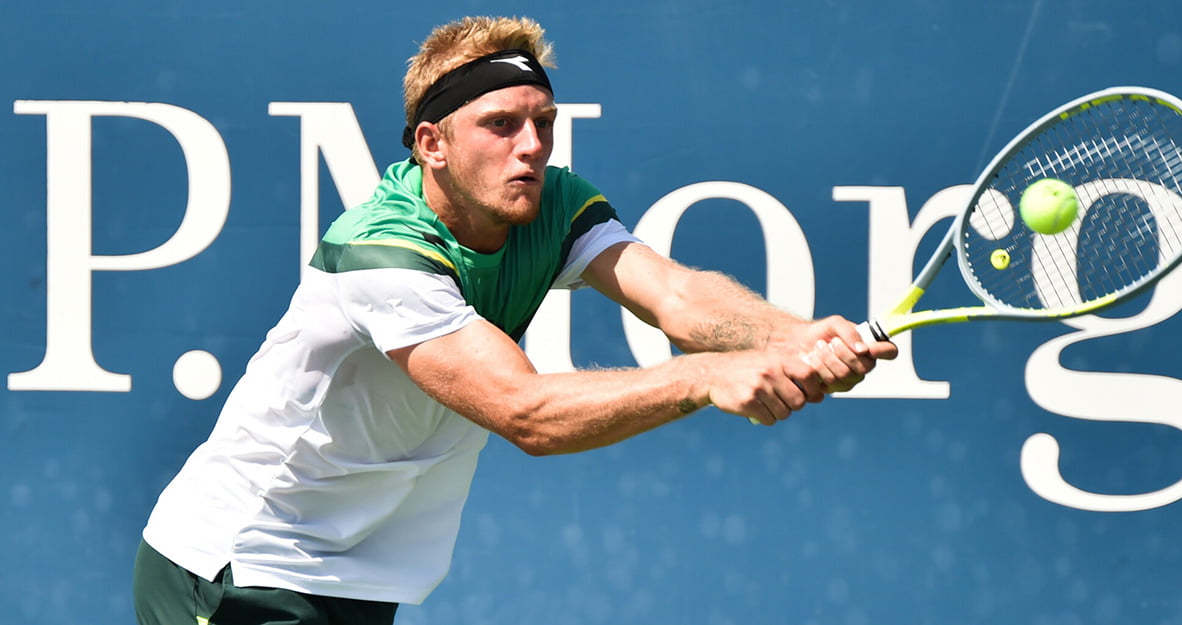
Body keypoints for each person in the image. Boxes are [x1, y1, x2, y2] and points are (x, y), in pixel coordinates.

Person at [133, 15, 897, 625]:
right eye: (500, 125)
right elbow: (525, 413)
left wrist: (791, 335)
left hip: (361, 574)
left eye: (543, 123)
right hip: (241, 565)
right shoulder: (383, 251)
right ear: (431, 144)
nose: (530, 147)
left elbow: (679, 297)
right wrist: (705, 375)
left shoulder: (551, 203)